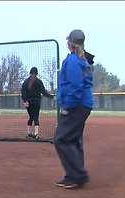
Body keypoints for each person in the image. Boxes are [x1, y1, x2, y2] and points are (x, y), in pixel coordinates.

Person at [53, 29, 94, 189]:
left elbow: (75, 86)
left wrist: (67, 107)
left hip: (76, 105)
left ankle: (78, 175)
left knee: (61, 139)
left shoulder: (72, 61)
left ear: (70, 43)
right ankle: (74, 175)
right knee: (73, 139)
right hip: (83, 104)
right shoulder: (82, 60)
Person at [21, 67, 54, 139]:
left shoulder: (26, 82)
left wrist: (25, 101)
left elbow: (22, 92)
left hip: (28, 102)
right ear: (37, 73)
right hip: (36, 102)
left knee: (31, 117)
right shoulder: (39, 81)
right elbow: (43, 92)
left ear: (30, 73)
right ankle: (36, 134)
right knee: (35, 117)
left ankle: (29, 133)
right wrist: (51, 96)